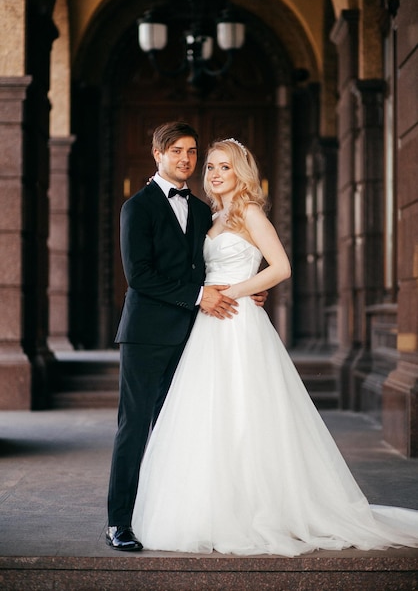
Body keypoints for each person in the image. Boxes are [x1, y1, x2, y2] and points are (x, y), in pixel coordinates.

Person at [131, 138, 418, 556]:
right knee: (212, 416)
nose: (214, 173)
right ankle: (214, 508)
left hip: (236, 321)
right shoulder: (210, 215)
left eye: (224, 167)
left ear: (241, 171)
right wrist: (212, 293)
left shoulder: (249, 212)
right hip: (208, 325)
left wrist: (235, 292)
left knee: (249, 412)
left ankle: (261, 509)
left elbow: (280, 267)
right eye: (210, 166)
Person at [106, 123, 265, 551]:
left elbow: (210, 266)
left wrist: (248, 287)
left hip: (195, 336)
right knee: (135, 427)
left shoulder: (199, 211)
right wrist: (201, 296)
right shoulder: (135, 208)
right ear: (157, 154)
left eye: (192, 152)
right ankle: (119, 521)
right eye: (176, 151)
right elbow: (139, 276)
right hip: (145, 336)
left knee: (180, 430)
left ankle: (167, 515)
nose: (186, 160)